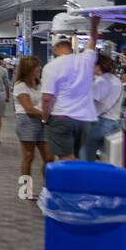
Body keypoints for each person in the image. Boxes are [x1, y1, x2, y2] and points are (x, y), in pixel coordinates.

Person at [40, 18, 100, 161]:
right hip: (85, 119)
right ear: (71, 48)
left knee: (66, 159)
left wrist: (45, 118)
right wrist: (94, 23)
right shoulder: (86, 59)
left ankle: (69, 183)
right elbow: (93, 40)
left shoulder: (51, 67)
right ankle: (78, 181)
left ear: (55, 49)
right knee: (77, 156)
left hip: (62, 116)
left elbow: (47, 98)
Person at [13, 55, 48, 198]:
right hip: (27, 121)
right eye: (36, 66)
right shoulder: (20, 85)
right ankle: (26, 190)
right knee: (28, 157)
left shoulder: (40, 83)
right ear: (29, 69)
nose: (39, 68)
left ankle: (48, 188)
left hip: (42, 121)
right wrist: (46, 114)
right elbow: (29, 108)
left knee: (49, 157)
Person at [81, 52, 123, 162]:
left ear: (98, 66)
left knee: (86, 155)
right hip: (115, 122)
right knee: (108, 158)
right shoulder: (115, 80)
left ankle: (87, 178)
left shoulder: (102, 81)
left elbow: (92, 101)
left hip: (101, 123)